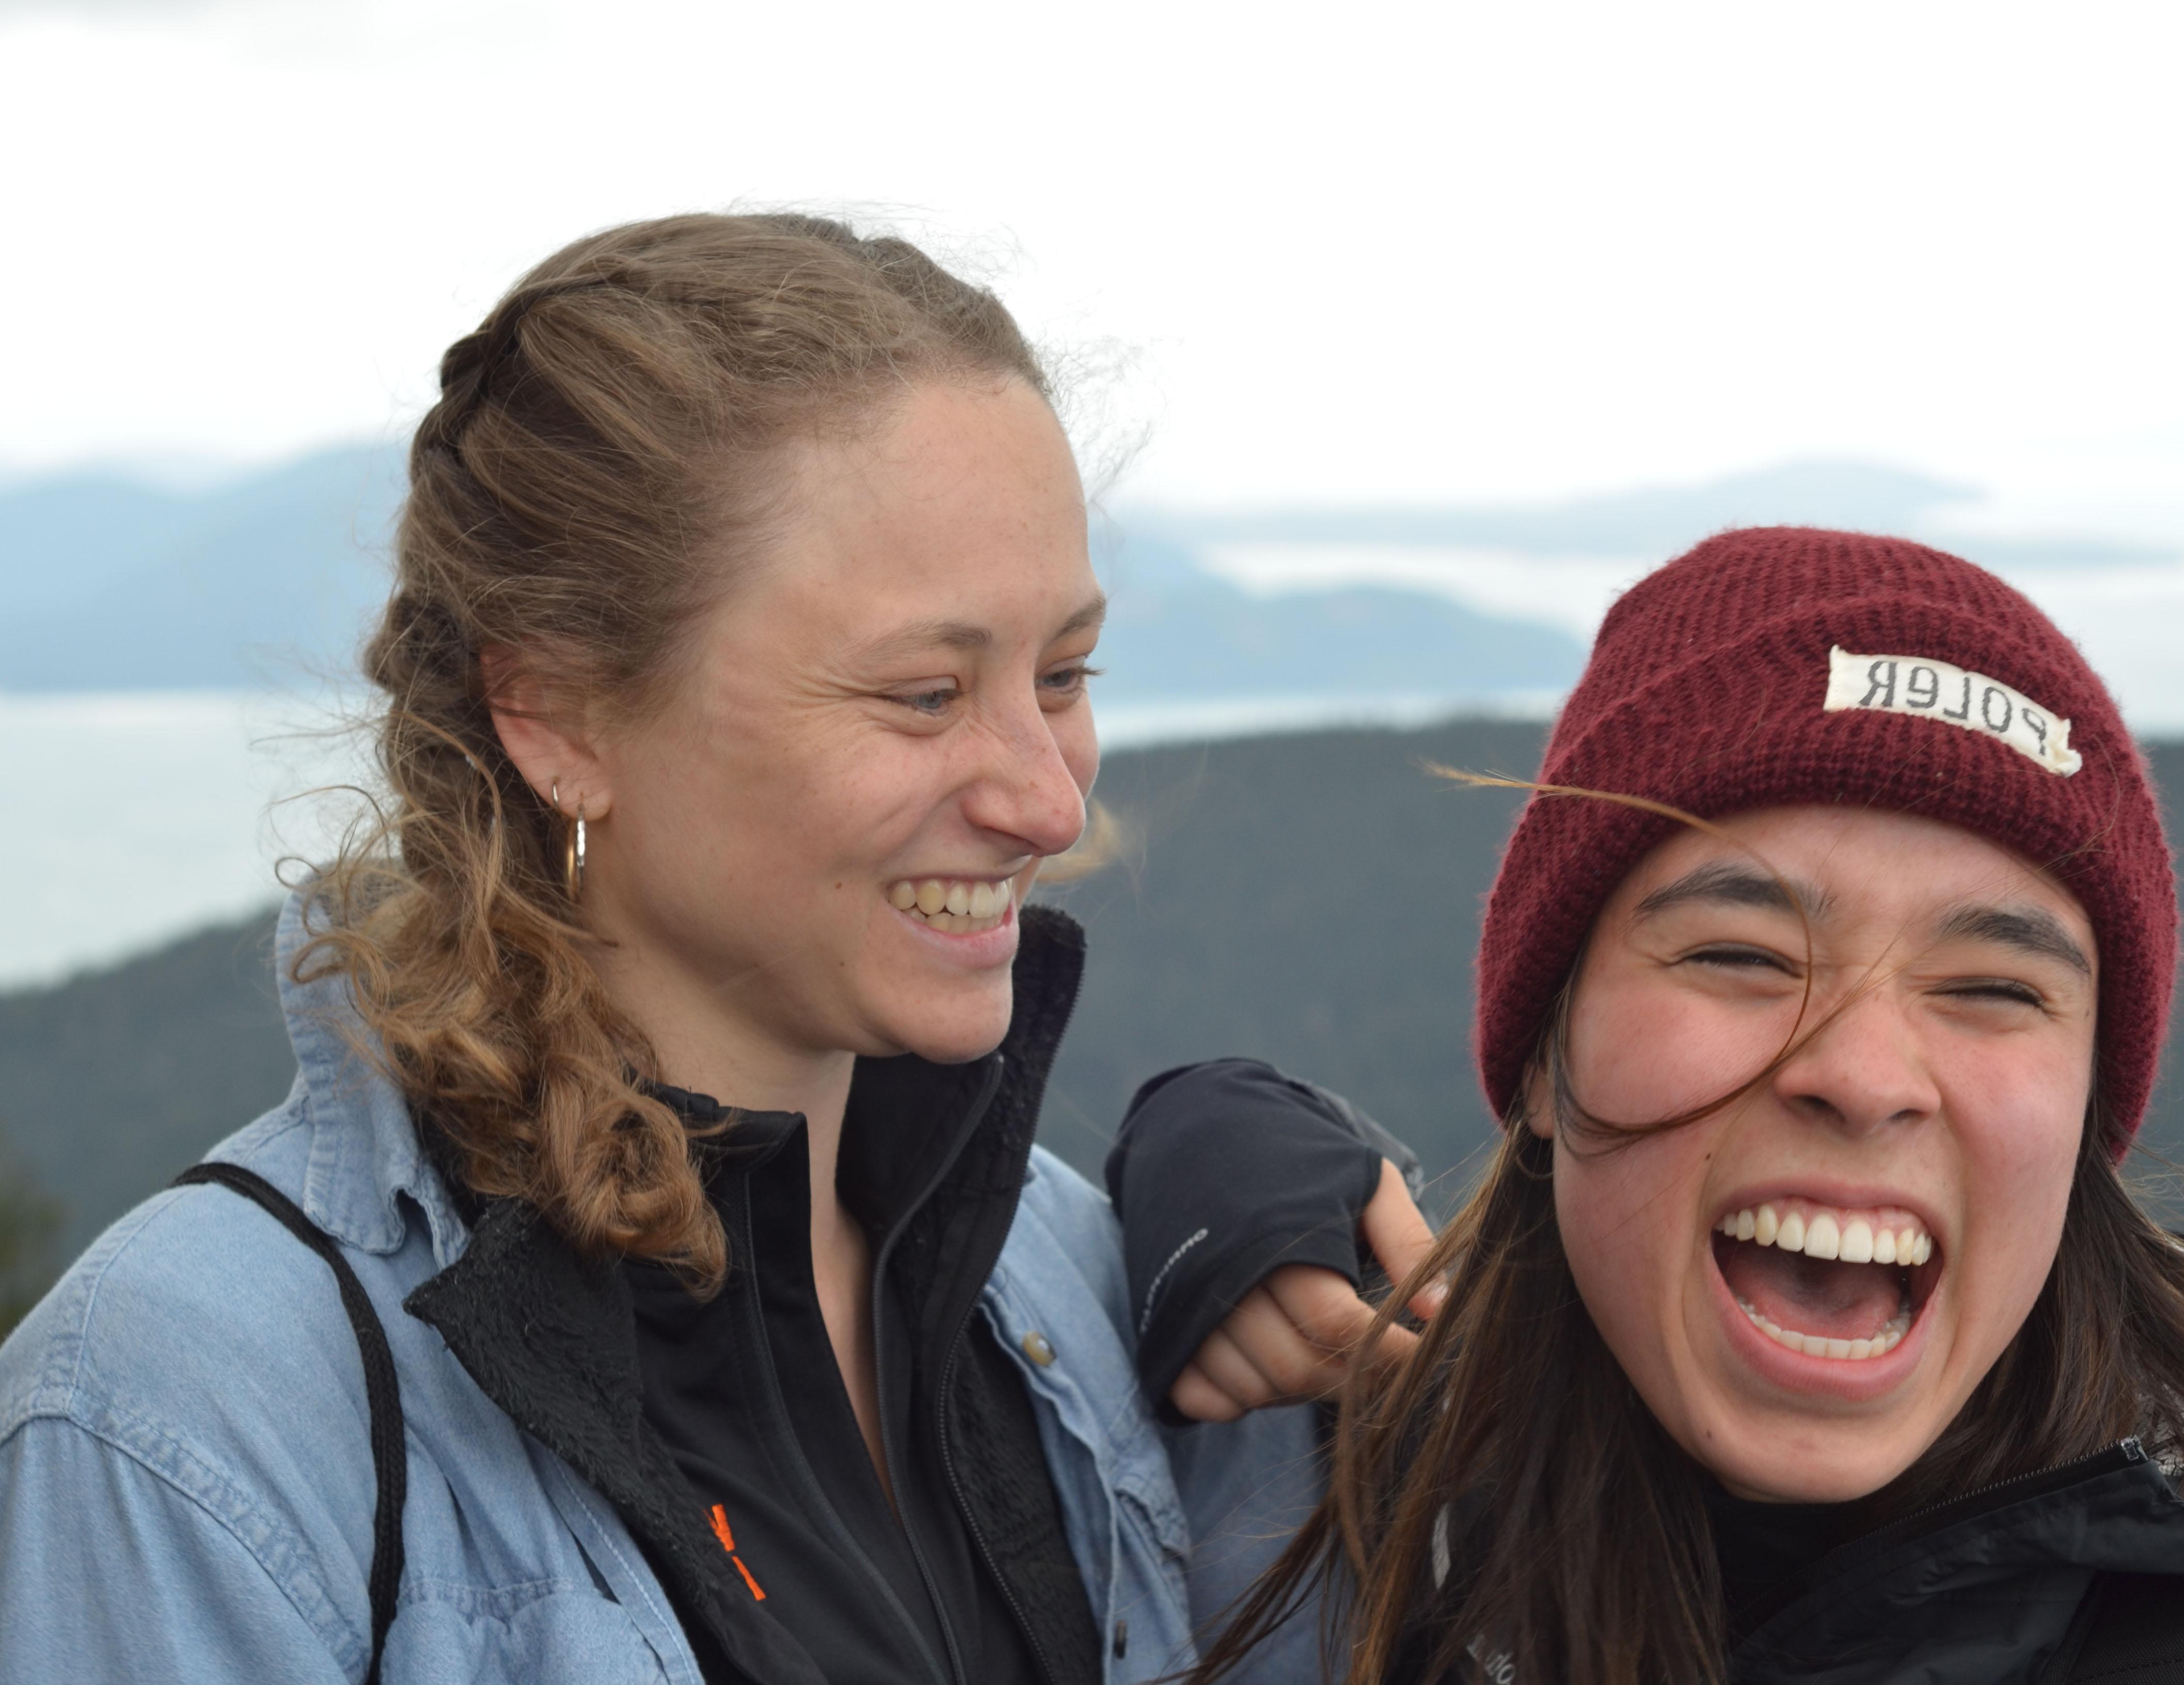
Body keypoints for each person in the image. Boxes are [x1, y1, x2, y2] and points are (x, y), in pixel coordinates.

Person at [0, 211, 1363, 1685]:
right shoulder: (190, 1412)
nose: (1048, 796)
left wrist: (1284, 1195)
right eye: (922, 694)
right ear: (561, 715)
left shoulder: (1061, 1279)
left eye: (1064, 674)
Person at [1154, 527, 2184, 1683]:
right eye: (1743, 958)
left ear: (2083, 1120)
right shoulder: (1418, 1480)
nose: (1865, 1077)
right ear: (1539, 1057)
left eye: (1993, 986)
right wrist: (1202, 1158)